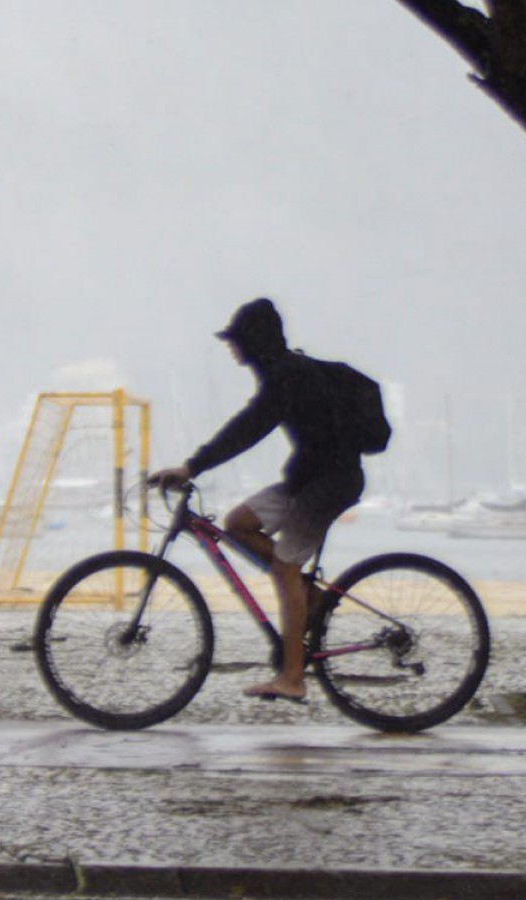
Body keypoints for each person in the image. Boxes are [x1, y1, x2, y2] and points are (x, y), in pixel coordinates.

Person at [148, 297, 368, 704]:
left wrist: (192, 466)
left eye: (236, 340)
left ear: (254, 341)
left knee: (284, 566)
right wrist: (194, 466)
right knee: (237, 524)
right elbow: (251, 423)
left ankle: (292, 678)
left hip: (331, 482)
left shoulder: (289, 376)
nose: (231, 347)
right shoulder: (281, 373)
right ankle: (310, 598)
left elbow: (249, 427)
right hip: (307, 480)